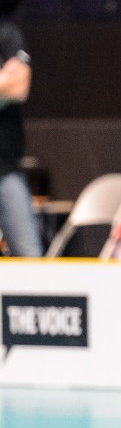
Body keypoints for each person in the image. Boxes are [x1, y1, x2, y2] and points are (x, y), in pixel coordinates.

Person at [0, 19, 41, 257]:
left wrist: (10, 84)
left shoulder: (7, 34)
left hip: (6, 171)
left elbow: (20, 87)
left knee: (30, 259)